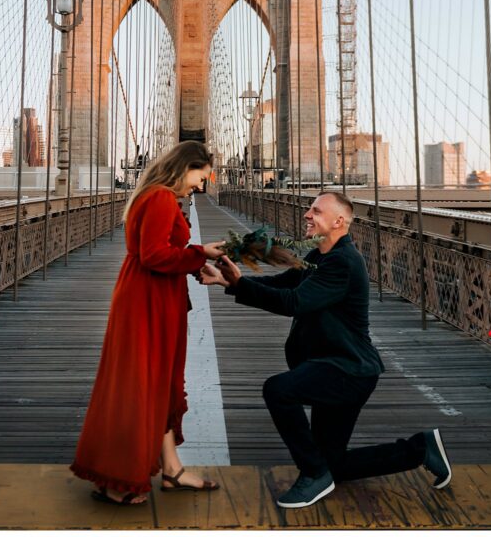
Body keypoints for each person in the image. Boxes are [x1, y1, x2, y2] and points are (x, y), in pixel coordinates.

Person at [199, 191, 452, 509]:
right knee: (332, 464)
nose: (306, 214)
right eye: (308, 209)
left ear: (338, 221)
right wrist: (229, 281)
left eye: (316, 211)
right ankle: (420, 449)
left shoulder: (342, 262)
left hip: (346, 368)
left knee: (278, 391)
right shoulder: (319, 255)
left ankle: (314, 474)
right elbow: (285, 284)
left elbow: (294, 302)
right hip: (334, 365)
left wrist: (240, 285)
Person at [71, 141, 227, 506]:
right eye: (199, 178)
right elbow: (154, 255)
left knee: (158, 383)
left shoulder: (155, 196)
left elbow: (158, 252)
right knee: (140, 385)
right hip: (148, 300)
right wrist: (199, 253)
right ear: (184, 167)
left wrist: (194, 260)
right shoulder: (159, 198)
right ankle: (117, 479)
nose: (201, 187)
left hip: (154, 294)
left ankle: (171, 468)